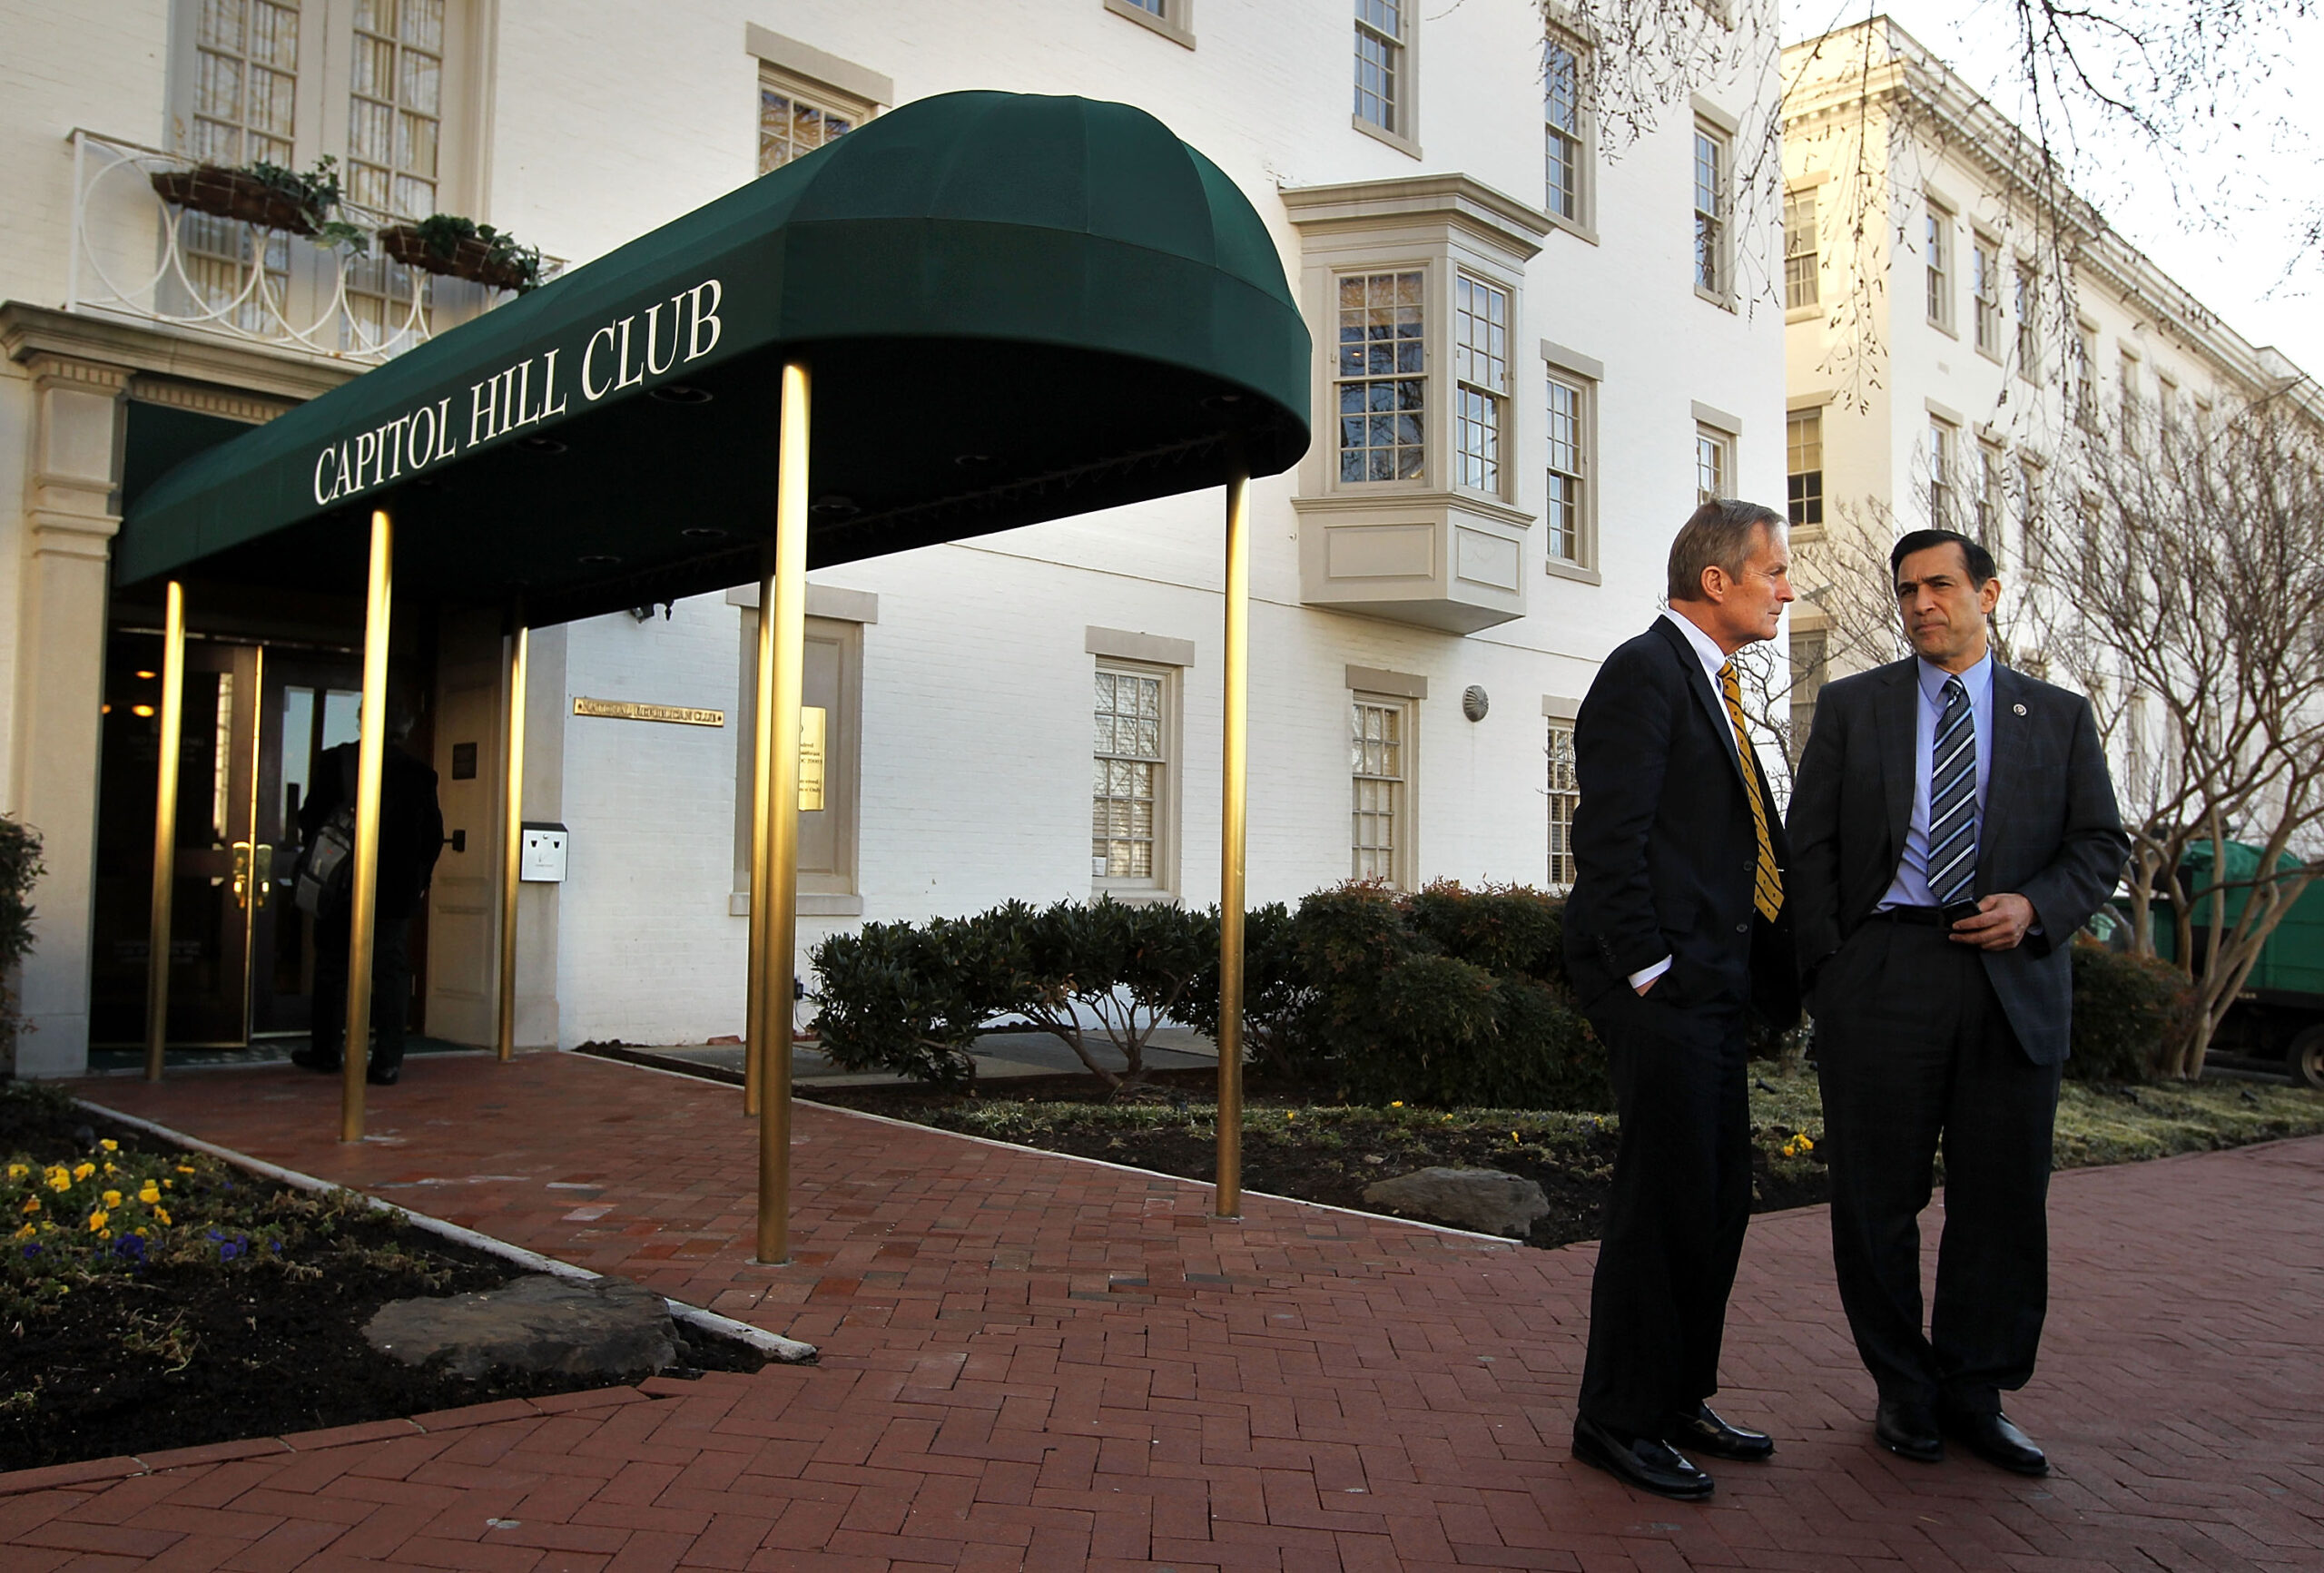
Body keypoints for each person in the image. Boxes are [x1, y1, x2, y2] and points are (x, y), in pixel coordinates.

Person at [1785, 528, 2126, 1477]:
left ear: (1990, 592)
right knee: (1875, 1198)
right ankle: (1902, 1387)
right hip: (1885, 972)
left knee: (2002, 1199)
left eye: (1939, 585)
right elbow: (1809, 846)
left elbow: (2099, 844)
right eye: (1906, 590)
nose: (1920, 604)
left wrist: (2036, 908)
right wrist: (1831, 973)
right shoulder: (1854, 706)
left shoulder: (2056, 716)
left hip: (2010, 981)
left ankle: (1976, 1392)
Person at [1561, 499, 1801, 1501]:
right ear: (1717, 580)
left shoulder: (1717, 684)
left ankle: (1676, 1396)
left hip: (1715, 989)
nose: (1786, 588)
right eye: (1773, 570)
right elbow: (1607, 839)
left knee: (1714, 1198)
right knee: (1663, 1202)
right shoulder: (1644, 672)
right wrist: (1649, 968)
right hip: (1662, 990)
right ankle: (1617, 1419)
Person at [292, 696, 444, 1086]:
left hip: (339, 885)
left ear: (363, 719)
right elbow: (432, 838)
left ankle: (327, 1050)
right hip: (395, 891)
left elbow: (310, 820)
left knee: (332, 968)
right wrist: (419, 882)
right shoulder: (419, 774)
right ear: (405, 727)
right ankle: (387, 1061)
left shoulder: (336, 762)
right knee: (391, 974)